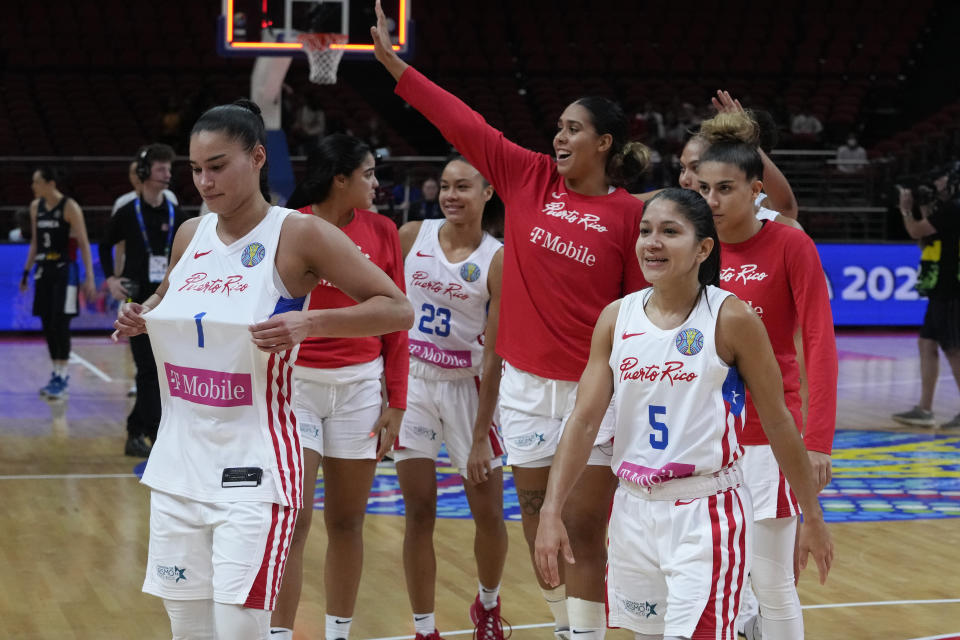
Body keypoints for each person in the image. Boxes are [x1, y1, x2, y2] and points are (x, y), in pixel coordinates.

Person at [372, 4, 651, 638]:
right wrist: (397, 68)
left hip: (592, 391)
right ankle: (566, 624)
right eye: (557, 126)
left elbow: (638, 314)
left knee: (581, 523)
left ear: (603, 143)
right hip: (523, 391)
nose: (559, 136)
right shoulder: (526, 177)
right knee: (534, 515)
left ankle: (587, 631)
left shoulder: (631, 214)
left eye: (573, 128)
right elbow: (463, 123)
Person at [113, 99, 413, 640]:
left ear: (256, 158)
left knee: (238, 629)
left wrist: (309, 323)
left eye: (218, 166)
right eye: (196, 169)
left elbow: (397, 308)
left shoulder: (297, 234)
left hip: (254, 467)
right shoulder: (190, 234)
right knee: (188, 629)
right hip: (179, 462)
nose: (205, 181)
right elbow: (163, 301)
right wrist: (138, 315)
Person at [534, 188, 833, 640]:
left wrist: (812, 517)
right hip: (633, 508)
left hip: (705, 512)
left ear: (703, 249)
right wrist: (550, 511)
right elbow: (584, 421)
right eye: (645, 231)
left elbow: (777, 422)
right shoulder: (617, 317)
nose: (652, 242)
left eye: (670, 232)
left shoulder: (731, 318)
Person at [695, 111, 838, 640]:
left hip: (766, 438)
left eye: (726, 189)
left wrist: (816, 440)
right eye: (704, 188)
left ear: (755, 190)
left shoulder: (790, 243)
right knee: (713, 584)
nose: (712, 200)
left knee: (770, 579)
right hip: (702, 439)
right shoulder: (692, 248)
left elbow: (820, 343)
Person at [269, 134, 409, 640]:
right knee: (295, 521)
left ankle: (338, 633)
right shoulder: (290, 226)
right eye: (368, 174)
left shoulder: (384, 230)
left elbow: (397, 320)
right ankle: (279, 634)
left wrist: (398, 399)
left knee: (348, 523)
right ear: (341, 178)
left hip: (361, 392)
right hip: (297, 387)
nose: (376, 183)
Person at [392, 156, 508, 640]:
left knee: (487, 513)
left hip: (469, 387)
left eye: (463, 186)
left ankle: (487, 604)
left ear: (486, 193)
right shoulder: (411, 235)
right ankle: (424, 629)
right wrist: (389, 393)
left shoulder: (498, 258)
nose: (451, 195)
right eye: (444, 186)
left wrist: (481, 435)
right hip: (415, 382)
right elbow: (386, 313)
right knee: (418, 511)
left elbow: (495, 355)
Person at [100, 143, 192, 458]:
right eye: (161, 168)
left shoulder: (174, 211)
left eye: (169, 168)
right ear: (145, 173)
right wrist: (111, 278)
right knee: (148, 370)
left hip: (168, 300)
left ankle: (135, 430)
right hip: (138, 300)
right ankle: (153, 432)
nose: (168, 174)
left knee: (160, 370)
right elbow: (105, 243)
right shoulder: (127, 212)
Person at [19, 167, 97, 399]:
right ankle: (55, 372)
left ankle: (63, 377)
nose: (33, 187)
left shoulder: (69, 207)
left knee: (60, 322)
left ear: (50, 183)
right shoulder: (36, 208)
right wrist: (25, 272)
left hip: (66, 271)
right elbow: (35, 242)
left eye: (36, 182)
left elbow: (83, 243)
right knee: (46, 323)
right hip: (44, 270)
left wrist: (89, 276)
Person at [892, 168, 960, 429]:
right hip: (941, 287)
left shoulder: (953, 208)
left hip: (952, 288)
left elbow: (915, 231)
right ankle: (925, 409)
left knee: (953, 349)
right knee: (927, 343)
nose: (936, 185)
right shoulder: (947, 210)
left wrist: (906, 209)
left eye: (941, 181)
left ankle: (927, 409)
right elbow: (926, 243)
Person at [675, 91, 800, 229]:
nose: (684, 180)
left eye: (695, 167)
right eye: (682, 168)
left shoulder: (754, 207)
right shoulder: (673, 210)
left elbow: (786, 208)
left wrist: (750, 142)